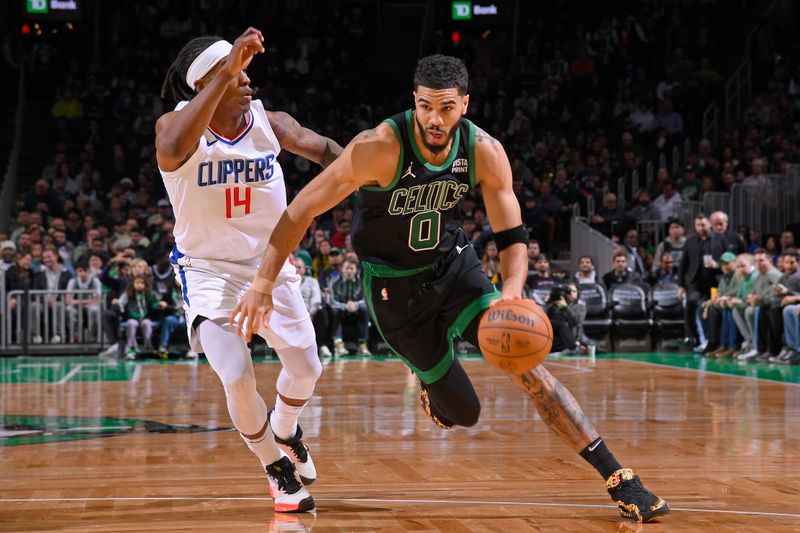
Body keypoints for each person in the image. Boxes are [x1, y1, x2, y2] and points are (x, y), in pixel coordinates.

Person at [231, 54, 668, 523]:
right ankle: (432, 386)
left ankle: (618, 476)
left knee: (530, 368)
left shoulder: (483, 150)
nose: (433, 120)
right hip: (394, 292)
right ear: (413, 102)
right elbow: (299, 211)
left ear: (465, 104)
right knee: (465, 412)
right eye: (423, 107)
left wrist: (514, 291)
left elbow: (512, 236)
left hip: (453, 266)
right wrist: (262, 282)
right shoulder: (378, 146)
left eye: (444, 108)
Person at [156, 28, 343, 512]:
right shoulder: (173, 129)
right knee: (236, 374)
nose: (247, 82)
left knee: (307, 368)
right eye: (233, 75)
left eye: (242, 72)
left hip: (269, 268)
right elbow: (174, 147)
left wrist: (376, 184)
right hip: (208, 271)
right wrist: (222, 72)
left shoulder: (270, 123)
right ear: (205, 85)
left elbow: (325, 151)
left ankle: (285, 429)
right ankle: (275, 470)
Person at [677, 214, 725, 346]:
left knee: (709, 308)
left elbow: (730, 260)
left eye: (703, 225)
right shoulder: (690, 241)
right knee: (691, 303)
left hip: (715, 283)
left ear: (709, 224)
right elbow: (683, 264)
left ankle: (712, 339)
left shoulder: (720, 239)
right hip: (696, 282)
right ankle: (692, 337)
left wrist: (717, 265)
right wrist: (681, 285)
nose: (700, 227)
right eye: (698, 225)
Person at [328, 258, 371, 356]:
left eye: (352, 268)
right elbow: (331, 300)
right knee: (334, 310)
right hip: (341, 311)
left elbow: (366, 298)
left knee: (364, 308)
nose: (349, 271)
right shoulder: (335, 281)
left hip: (356, 310)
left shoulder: (361, 281)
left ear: (356, 270)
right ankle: (338, 344)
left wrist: (355, 305)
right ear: (342, 269)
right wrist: (345, 306)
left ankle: (362, 344)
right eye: (347, 268)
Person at [118, 274, 165, 358]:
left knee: (147, 324)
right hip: (132, 318)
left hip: (145, 318)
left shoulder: (149, 294)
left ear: (145, 285)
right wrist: (117, 303)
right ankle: (131, 347)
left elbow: (154, 305)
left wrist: (159, 304)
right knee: (131, 324)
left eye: (142, 283)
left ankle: (148, 346)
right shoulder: (128, 294)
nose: (140, 285)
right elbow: (121, 303)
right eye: (137, 282)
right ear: (133, 284)